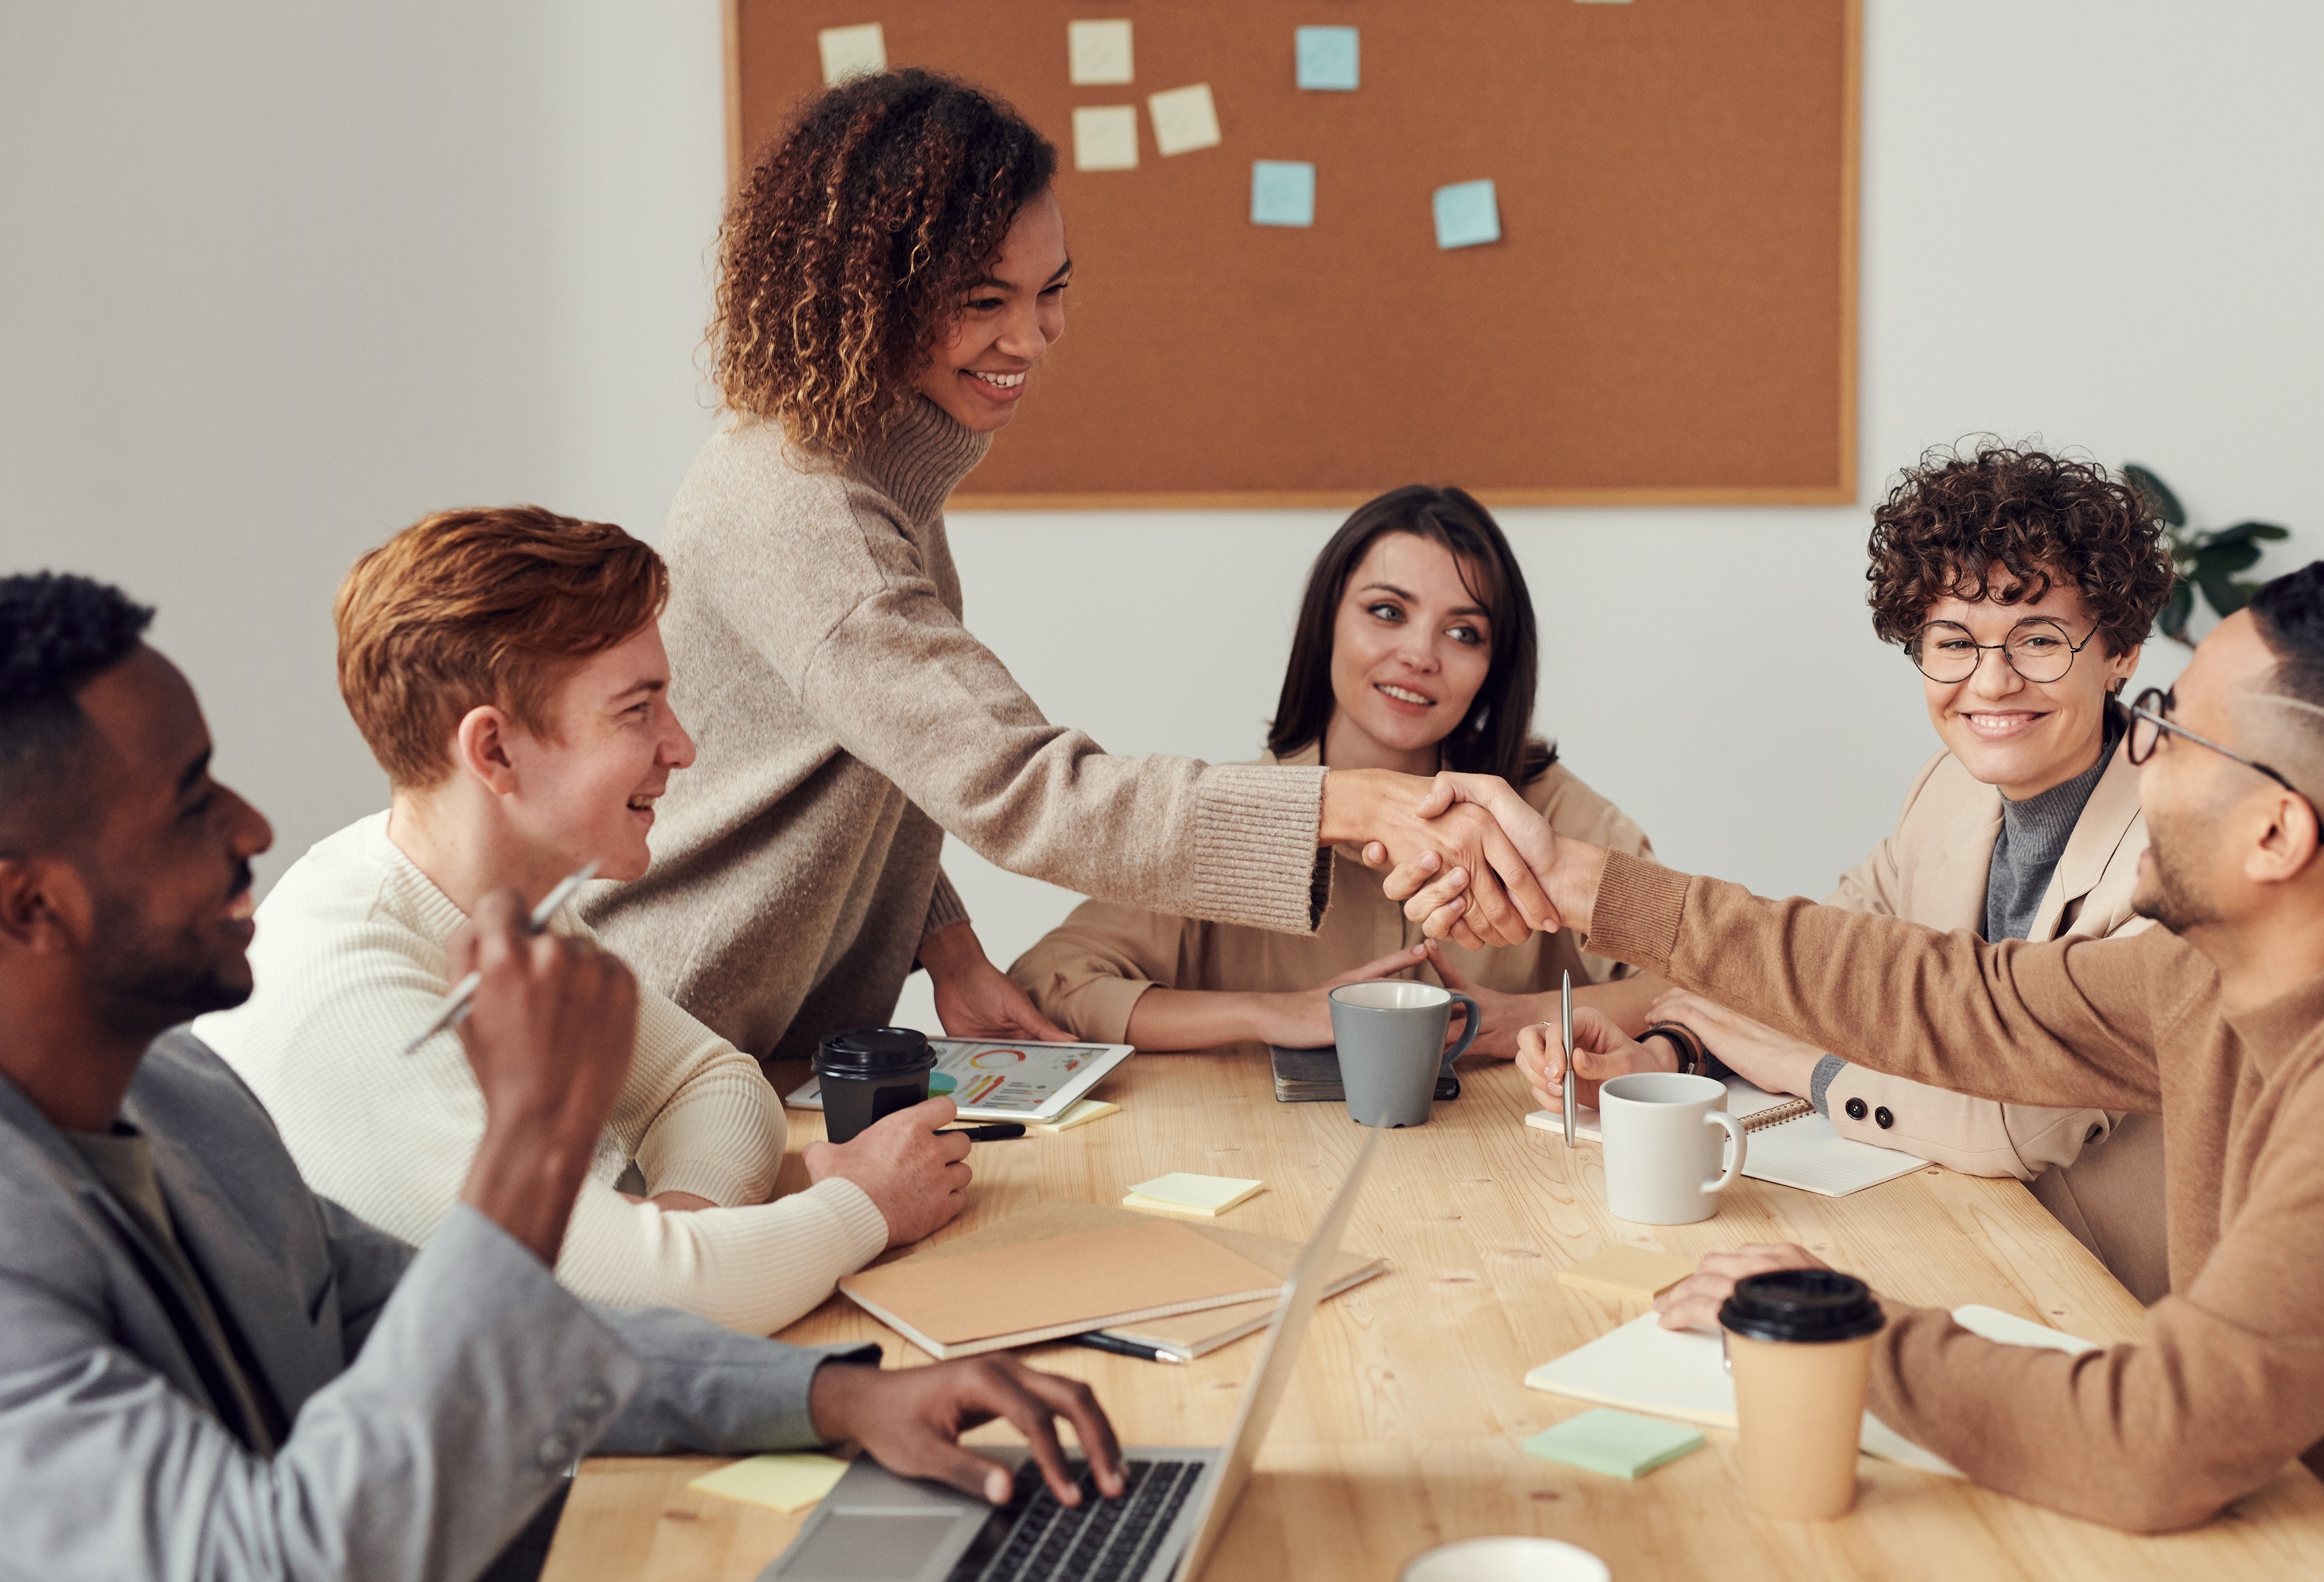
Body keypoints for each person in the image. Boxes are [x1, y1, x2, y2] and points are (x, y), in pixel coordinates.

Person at [1427, 563, 2324, 1582]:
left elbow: (2153, 1439)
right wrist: (1592, 887)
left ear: (2276, 833)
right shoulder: (2219, 971)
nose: (2137, 746)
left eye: (2168, 724)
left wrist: (1841, 1326)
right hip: (2269, 1522)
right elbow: (1956, 996)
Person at [0, 572, 1126, 1580]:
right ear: (29, 903)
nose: (253, 824)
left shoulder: (181, 1097)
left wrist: (836, 1396)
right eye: (194, 801)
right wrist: (536, 1140)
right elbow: (286, 1559)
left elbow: (477, 1331)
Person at [580, 69, 1552, 1062]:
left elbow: (882, 750)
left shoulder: (867, 466)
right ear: (873, 297)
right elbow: (1026, 787)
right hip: (663, 1044)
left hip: (760, 1047)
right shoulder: (811, 511)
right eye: (984, 299)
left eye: (1053, 292)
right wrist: (1340, 803)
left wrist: (946, 944)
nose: (1033, 336)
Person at [195, 509, 963, 1336]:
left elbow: (713, 1082)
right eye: (637, 711)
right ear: (492, 752)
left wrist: (678, 1236)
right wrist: (863, 1204)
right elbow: (623, 1313)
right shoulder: (354, 992)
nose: (681, 748)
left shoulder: (498, 899)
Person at [1591, 444, 2177, 1299]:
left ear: (2119, 649)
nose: (1991, 680)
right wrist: (1672, 1047)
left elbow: (2017, 1123)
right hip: (1957, 1236)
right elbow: (1819, 968)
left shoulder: (2174, 850)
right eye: (1953, 642)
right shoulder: (1946, 789)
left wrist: (1810, 1071)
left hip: (2113, 1298)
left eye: (2039, 639)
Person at [1007, 486, 1656, 1056]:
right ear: (1327, 624)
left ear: (1495, 667)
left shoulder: (1546, 812)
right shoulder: (1234, 816)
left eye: (1463, 633)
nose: (1419, 654)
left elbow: (1709, 980)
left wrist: (1528, 1017)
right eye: (1386, 611)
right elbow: (1050, 981)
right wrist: (1268, 1012)